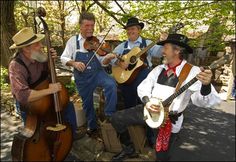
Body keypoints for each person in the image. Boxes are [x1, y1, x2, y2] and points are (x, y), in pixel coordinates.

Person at [110, 33, 221, 161]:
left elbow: (203, 102)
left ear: (177, 50)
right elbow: (143, 87)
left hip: (169, 121)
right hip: (149, 110)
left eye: (166, 48)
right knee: (116, 118)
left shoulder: (192, 71)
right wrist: (147, 102)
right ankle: (129, 149)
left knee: (161, 157)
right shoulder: (159, 69)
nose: (162, 51)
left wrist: (206, 85)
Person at [8, 27, 78, 140]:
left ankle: (71, 137)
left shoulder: (39, 56)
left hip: (45, 97)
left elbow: (50, 74)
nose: (41, 46)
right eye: (37, 44)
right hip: (30, 104)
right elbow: (23, 95)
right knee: (35, 134)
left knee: (67, 106)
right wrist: (49, 90)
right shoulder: (16, 66)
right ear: (26, 49)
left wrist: (51, 60)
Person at [60, 12, 117, 136]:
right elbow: (63, 58)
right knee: (87, 103)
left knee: (111, 84)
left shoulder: (99, 41)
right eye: (87, 26)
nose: (90, 29)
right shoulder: (72, 41)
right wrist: (74, 63)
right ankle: (92, 127)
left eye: (92, 25)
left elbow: (102, 62)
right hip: (82, 78)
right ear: (80, 26)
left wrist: (107, 58)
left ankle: (109, 115)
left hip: (97, 73)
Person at [111, 17, 163, 109]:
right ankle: (130, 116)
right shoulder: (122, 46)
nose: (130, 31)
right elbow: (111, 57)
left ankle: (144, 116)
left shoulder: (147, 43)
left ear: (139, 30)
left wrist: (163, 42)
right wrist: (119, 63)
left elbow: (159, 54)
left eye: (133, 28)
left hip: (143, 75)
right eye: (128, 29)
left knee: (141, 90)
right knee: (127, 96)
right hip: (127, 77)